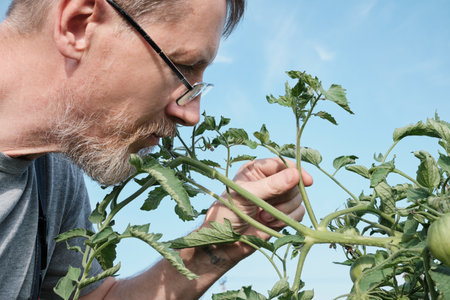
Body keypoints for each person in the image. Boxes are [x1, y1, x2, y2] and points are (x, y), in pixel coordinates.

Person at [0, 0, 313, 299]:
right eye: (183, 67)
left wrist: (214, 247)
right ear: (78, 25)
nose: (191, 115)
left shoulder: (53, 174)